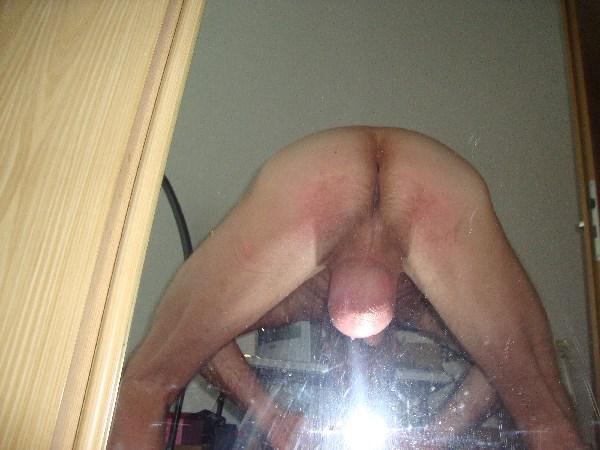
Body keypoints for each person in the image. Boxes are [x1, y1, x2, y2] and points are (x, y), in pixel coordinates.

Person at [108, 127, 585, 450]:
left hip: (321, 170)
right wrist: (434, 435)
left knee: (145, 382)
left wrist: (271, 415)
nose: (354, 373)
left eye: (346, 378)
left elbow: (196, 349)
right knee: (548, 411)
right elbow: (507, 371)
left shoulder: (301, 301)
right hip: (430, 178)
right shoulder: (421, 311)